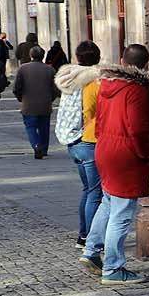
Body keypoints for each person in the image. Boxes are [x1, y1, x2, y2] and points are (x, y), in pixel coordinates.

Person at [81, 44, 149, 285]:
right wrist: (145, 155)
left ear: (122, 61)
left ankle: (91, 251)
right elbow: (138, 128)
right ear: (145, 65)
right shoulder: (138, 90)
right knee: (122, 212)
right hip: (125, 154)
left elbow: (98, 120)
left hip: (104, 148)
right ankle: (113, 267)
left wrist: (102, 141)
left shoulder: (107, 84)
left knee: (108, 202)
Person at [54, 42, 103, 249]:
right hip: (88, 139)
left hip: (71, 139)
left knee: (87, 190)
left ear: (77, 56)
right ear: (97, 57)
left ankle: (83, 235)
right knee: (95, 192)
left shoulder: (69, 78)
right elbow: (90, 109)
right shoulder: (91, 80)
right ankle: (90, 238)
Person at [12, 45, 59, 160]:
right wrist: (50, 98)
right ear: (43, 56)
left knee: (30, 126)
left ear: (30, 55)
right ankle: (43, 149)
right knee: (44, 127)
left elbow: (16, 87)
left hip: (28, 104)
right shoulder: (50, 69)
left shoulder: (23, 69)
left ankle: (36, 145)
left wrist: (20, 98)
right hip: (45, 104)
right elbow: (56, 89)